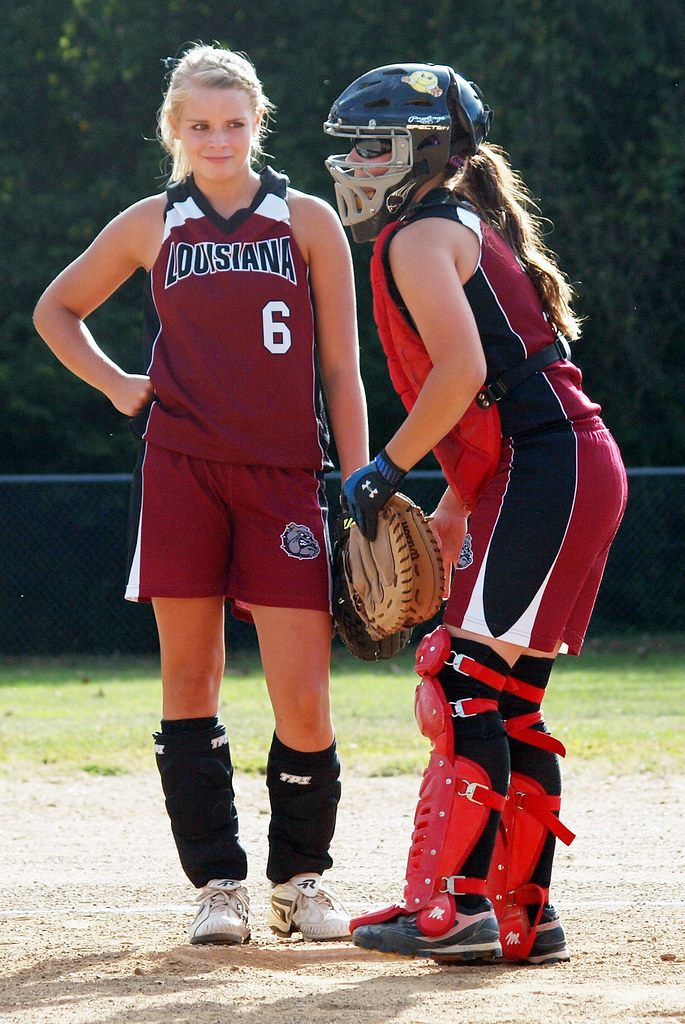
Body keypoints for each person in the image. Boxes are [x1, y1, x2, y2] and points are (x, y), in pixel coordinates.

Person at [33, 42, 369, 946]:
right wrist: (117, 384)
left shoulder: (306, 221)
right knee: (191, 679)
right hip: (181, 471)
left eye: (233, 123)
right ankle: (218, 885)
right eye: (199, 126)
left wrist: (364, 477)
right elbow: (55, 309)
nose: (217, 139)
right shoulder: (153, 223)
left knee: (304, 696)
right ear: (174, 131)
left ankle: (299, 882)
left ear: (259, 124)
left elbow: (340, 364)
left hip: (285, 477)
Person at [324, 62, 627, 964]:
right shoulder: (455, 224)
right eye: (352, 143)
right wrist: (455, 500)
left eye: (373, 143)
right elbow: (500, 382)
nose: (355, 159)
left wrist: (385, 469)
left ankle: (454, 910)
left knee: (454, 681)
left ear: (425, 148)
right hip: (561, 463)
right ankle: (520, 918)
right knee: (508, 699)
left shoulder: (417, 238)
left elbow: (459, 376)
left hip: (547, 468)